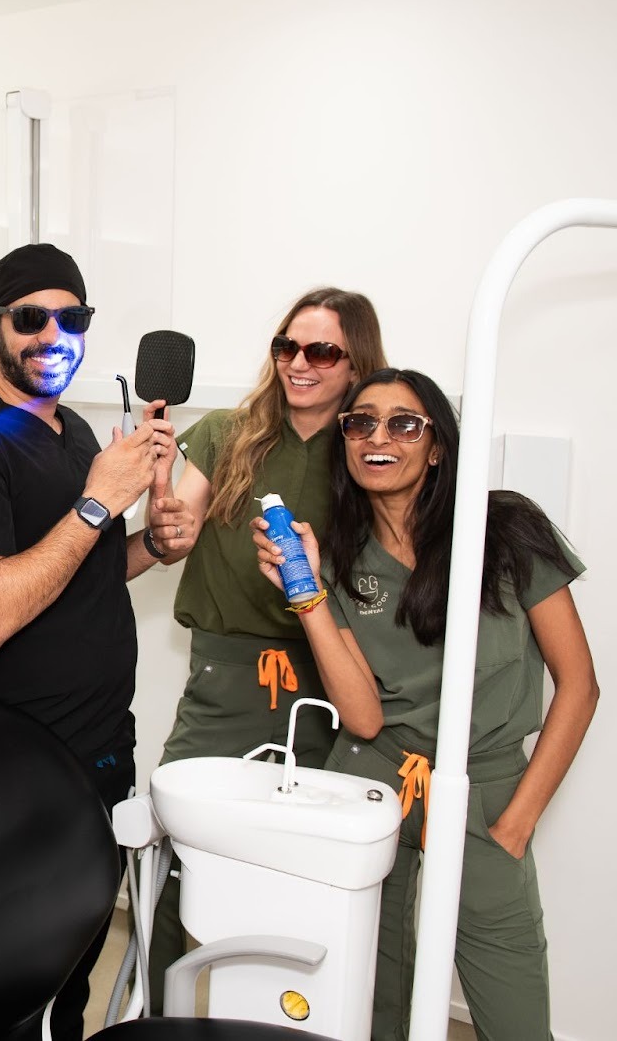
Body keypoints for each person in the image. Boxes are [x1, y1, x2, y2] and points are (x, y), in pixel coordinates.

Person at [254, 367, 598, 1041]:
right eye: (361, 423)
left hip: (483, 795)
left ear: (437, 445)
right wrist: (306, 593)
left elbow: (579, 684)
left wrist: (518, 822)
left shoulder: (503, 530)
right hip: (374, 787)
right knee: (371, 1000)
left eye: (403, 424)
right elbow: (363, 718)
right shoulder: (340, 558)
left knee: (517, 1016)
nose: (378, 438)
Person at [0, 243, 191, 1039]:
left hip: (101, 747)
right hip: (17, 766)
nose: (52, 335)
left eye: (72, 318)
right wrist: (100, 504)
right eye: (31, 318)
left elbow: (76, 577)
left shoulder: (73, 433)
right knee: (16, 988)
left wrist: (152, 547)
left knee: (71, 978)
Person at [147, 287, 388, 1005]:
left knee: (295, 876)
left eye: (322, 351)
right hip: (224, 684)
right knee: (179, 857)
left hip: (325, 693)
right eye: (287, 347)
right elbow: (172, 537)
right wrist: (162, 518)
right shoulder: (226, 433)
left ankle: (273, 1014)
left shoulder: (366, 453)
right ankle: (161, 1015)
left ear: (356, 363)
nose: (299, 363)